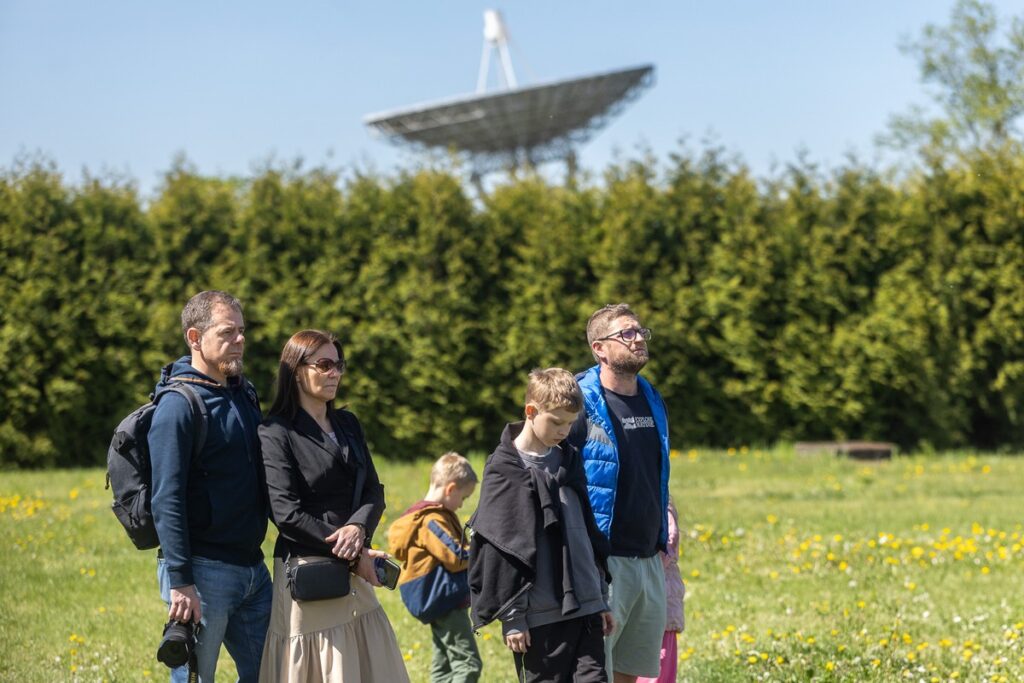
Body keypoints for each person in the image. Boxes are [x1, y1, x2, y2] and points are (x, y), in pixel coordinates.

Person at [258, 329, 409, 683]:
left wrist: (358, 531)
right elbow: (286, 513)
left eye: (338, 365)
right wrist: (353, 554)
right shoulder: (276, 432)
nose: (334, 373)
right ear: (297, 370)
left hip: (357, 569)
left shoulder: (348, 424)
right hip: (310, 573)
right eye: (324, 365)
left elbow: (373, 488)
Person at [150, 290, 272, 683]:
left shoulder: (243, 393)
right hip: (202, 574)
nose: (239, 340)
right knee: (196, 678)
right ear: (194, 337)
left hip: (254, 569)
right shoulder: (178, 406)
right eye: (227, 332)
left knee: (271, 672)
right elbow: (165, 498)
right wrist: (181, 582)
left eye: (241, 331)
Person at [470, 367, 615, 683]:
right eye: (557, 421)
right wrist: (513, 617)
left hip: (587, 607)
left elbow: (587, 534)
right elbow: (502, 549)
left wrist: (599, 597)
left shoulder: (569, 460)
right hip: (539, 617)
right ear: (531, 411)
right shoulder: (505, 468)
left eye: (570, 423)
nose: (564, 431)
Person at [568, 303, 671, 683]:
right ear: (600, 348)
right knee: (598, 670)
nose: (639, 338)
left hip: (647, 558)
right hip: (604, 562)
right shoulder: (579, 402)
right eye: (627, 333)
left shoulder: (651, 397)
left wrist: (662, 539)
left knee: (632, 673)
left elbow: (654, 474)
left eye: (641, 331)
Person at [387, 452, 482, 683]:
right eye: (463, 498)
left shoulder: (421, 516)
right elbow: (455, 556)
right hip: (443, 598)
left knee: (445, 665)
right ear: (450, 489)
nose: (461, 505)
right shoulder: (431, 519)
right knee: (468, 665)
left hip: (433, 597)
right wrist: (483, 549)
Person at [636, 500, 685, 683]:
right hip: (649, 604)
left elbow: (669, 541)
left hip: (661, 605)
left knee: (657, 669)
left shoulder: (661, 503)